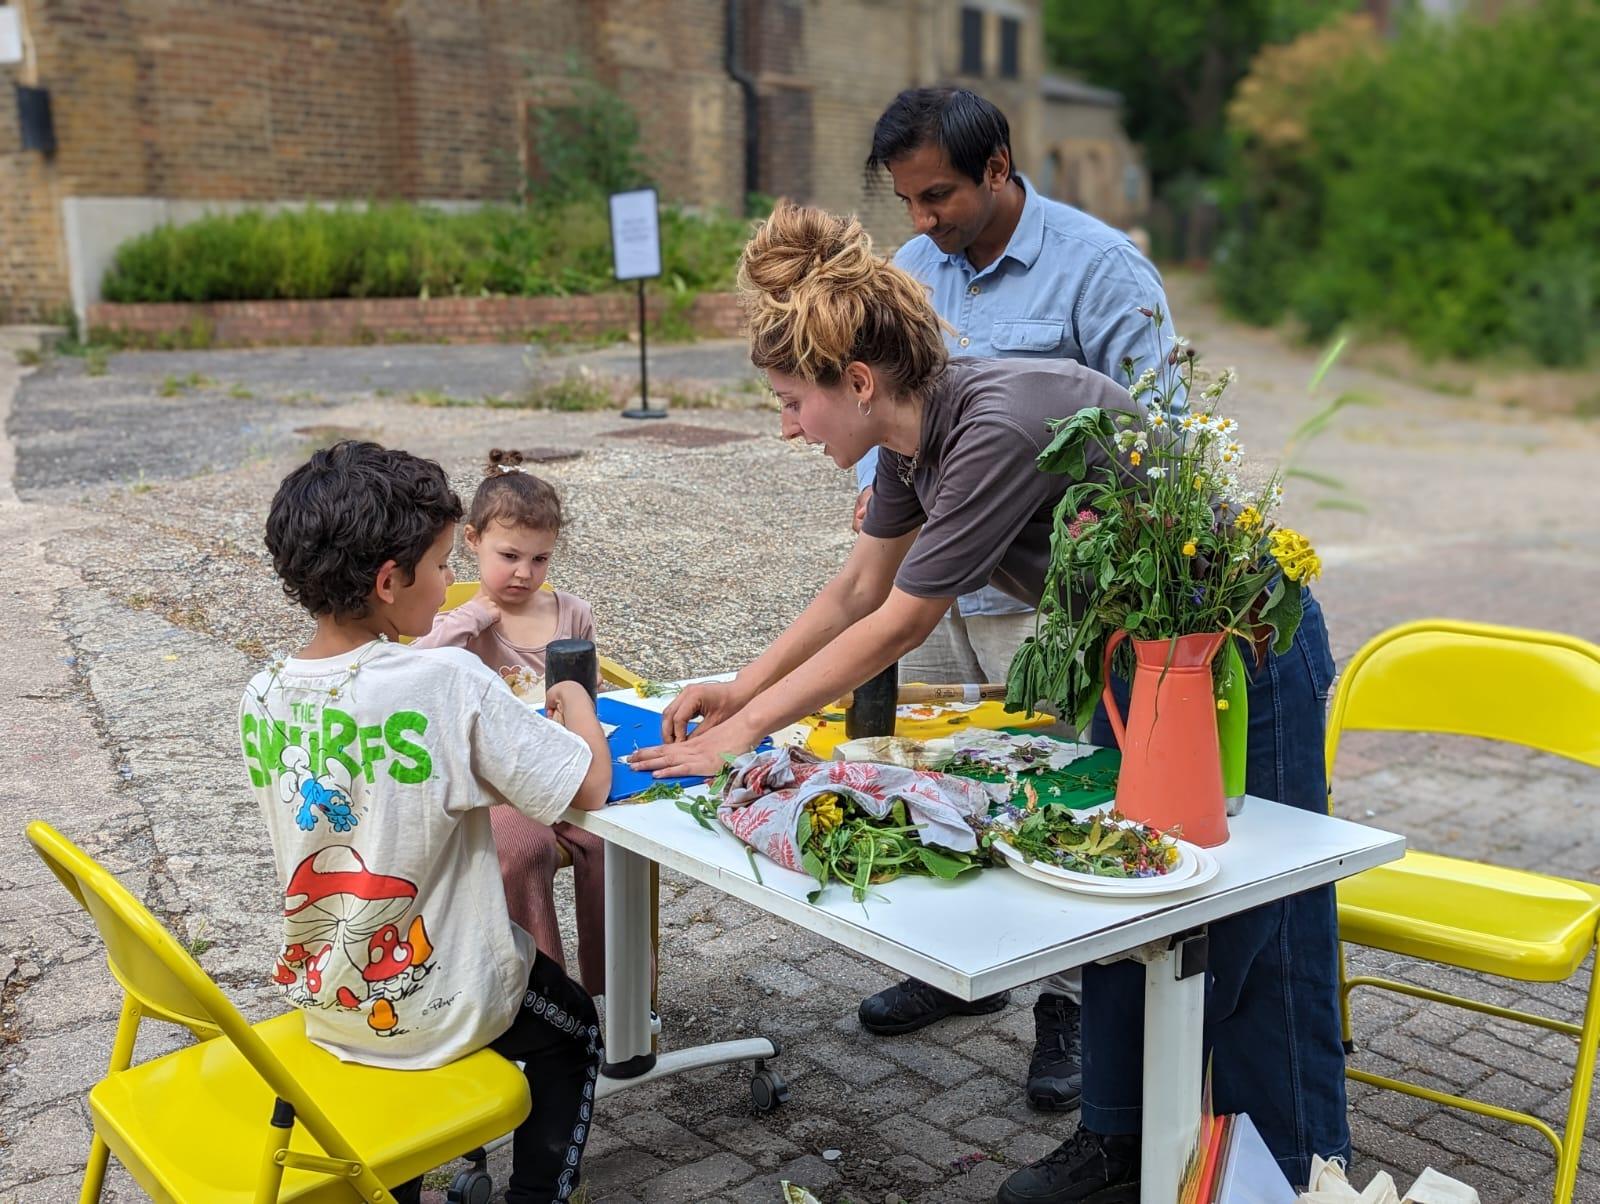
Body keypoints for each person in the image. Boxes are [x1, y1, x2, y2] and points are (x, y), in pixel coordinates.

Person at [628, 204, 1348, 1202]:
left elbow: (896, 626)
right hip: (1136, 661)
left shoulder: (994, 423)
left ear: (860, 383)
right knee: (1114, 886)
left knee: (1252, 915)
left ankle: (1295, 1168)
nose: (790, 427)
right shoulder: (908, 445)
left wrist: (748, 733)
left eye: (794, 402)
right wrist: (736, 690)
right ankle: (1118, 1140)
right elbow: (852, 591)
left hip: (1235, 652)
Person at [849, 85, 1182, 1112]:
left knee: (1057, 799)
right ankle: (960, 965)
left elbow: (1163, 444)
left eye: (938, 194)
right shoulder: (912, 270)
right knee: (948, 779)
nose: (921, 221)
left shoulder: (1100, 268)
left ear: (998, 169)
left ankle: (1068, 1008)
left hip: (1049, 602)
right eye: (906, 199)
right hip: (933, 584)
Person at [241, 440, 613, 1204]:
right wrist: (573, 700)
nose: (452, 583)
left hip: (330, 997)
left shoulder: (262, 695)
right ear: (389, 581)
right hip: (444, 997)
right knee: (573, 1031)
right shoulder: (443, 678)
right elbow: (590, 784)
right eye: (445, 565)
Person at [414, 447, 608, 996]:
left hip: (562, 765)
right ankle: (540, 993)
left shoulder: (571, 613)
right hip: (498, 784)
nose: (524, 573)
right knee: (524, 850)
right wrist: (471, 616)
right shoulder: (461, 622)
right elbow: (416, 666)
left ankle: (612, 988)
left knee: (613, 845)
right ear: (472, 540)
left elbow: (588, 694)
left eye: (540, 560)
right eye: (509, 556)